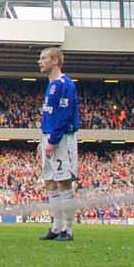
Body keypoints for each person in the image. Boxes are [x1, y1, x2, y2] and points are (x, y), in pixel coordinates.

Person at [38, 48, 82, 241]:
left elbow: (64, 115)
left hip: (62, 138)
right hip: (48, 136)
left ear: (55, 61)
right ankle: (56, 227)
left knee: (63, 181)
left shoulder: (66, 84)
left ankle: (68, 230)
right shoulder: (51, 85)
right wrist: (44, 139)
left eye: (43, 58)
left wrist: (53, 140)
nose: (39, 61)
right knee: (49, 181)